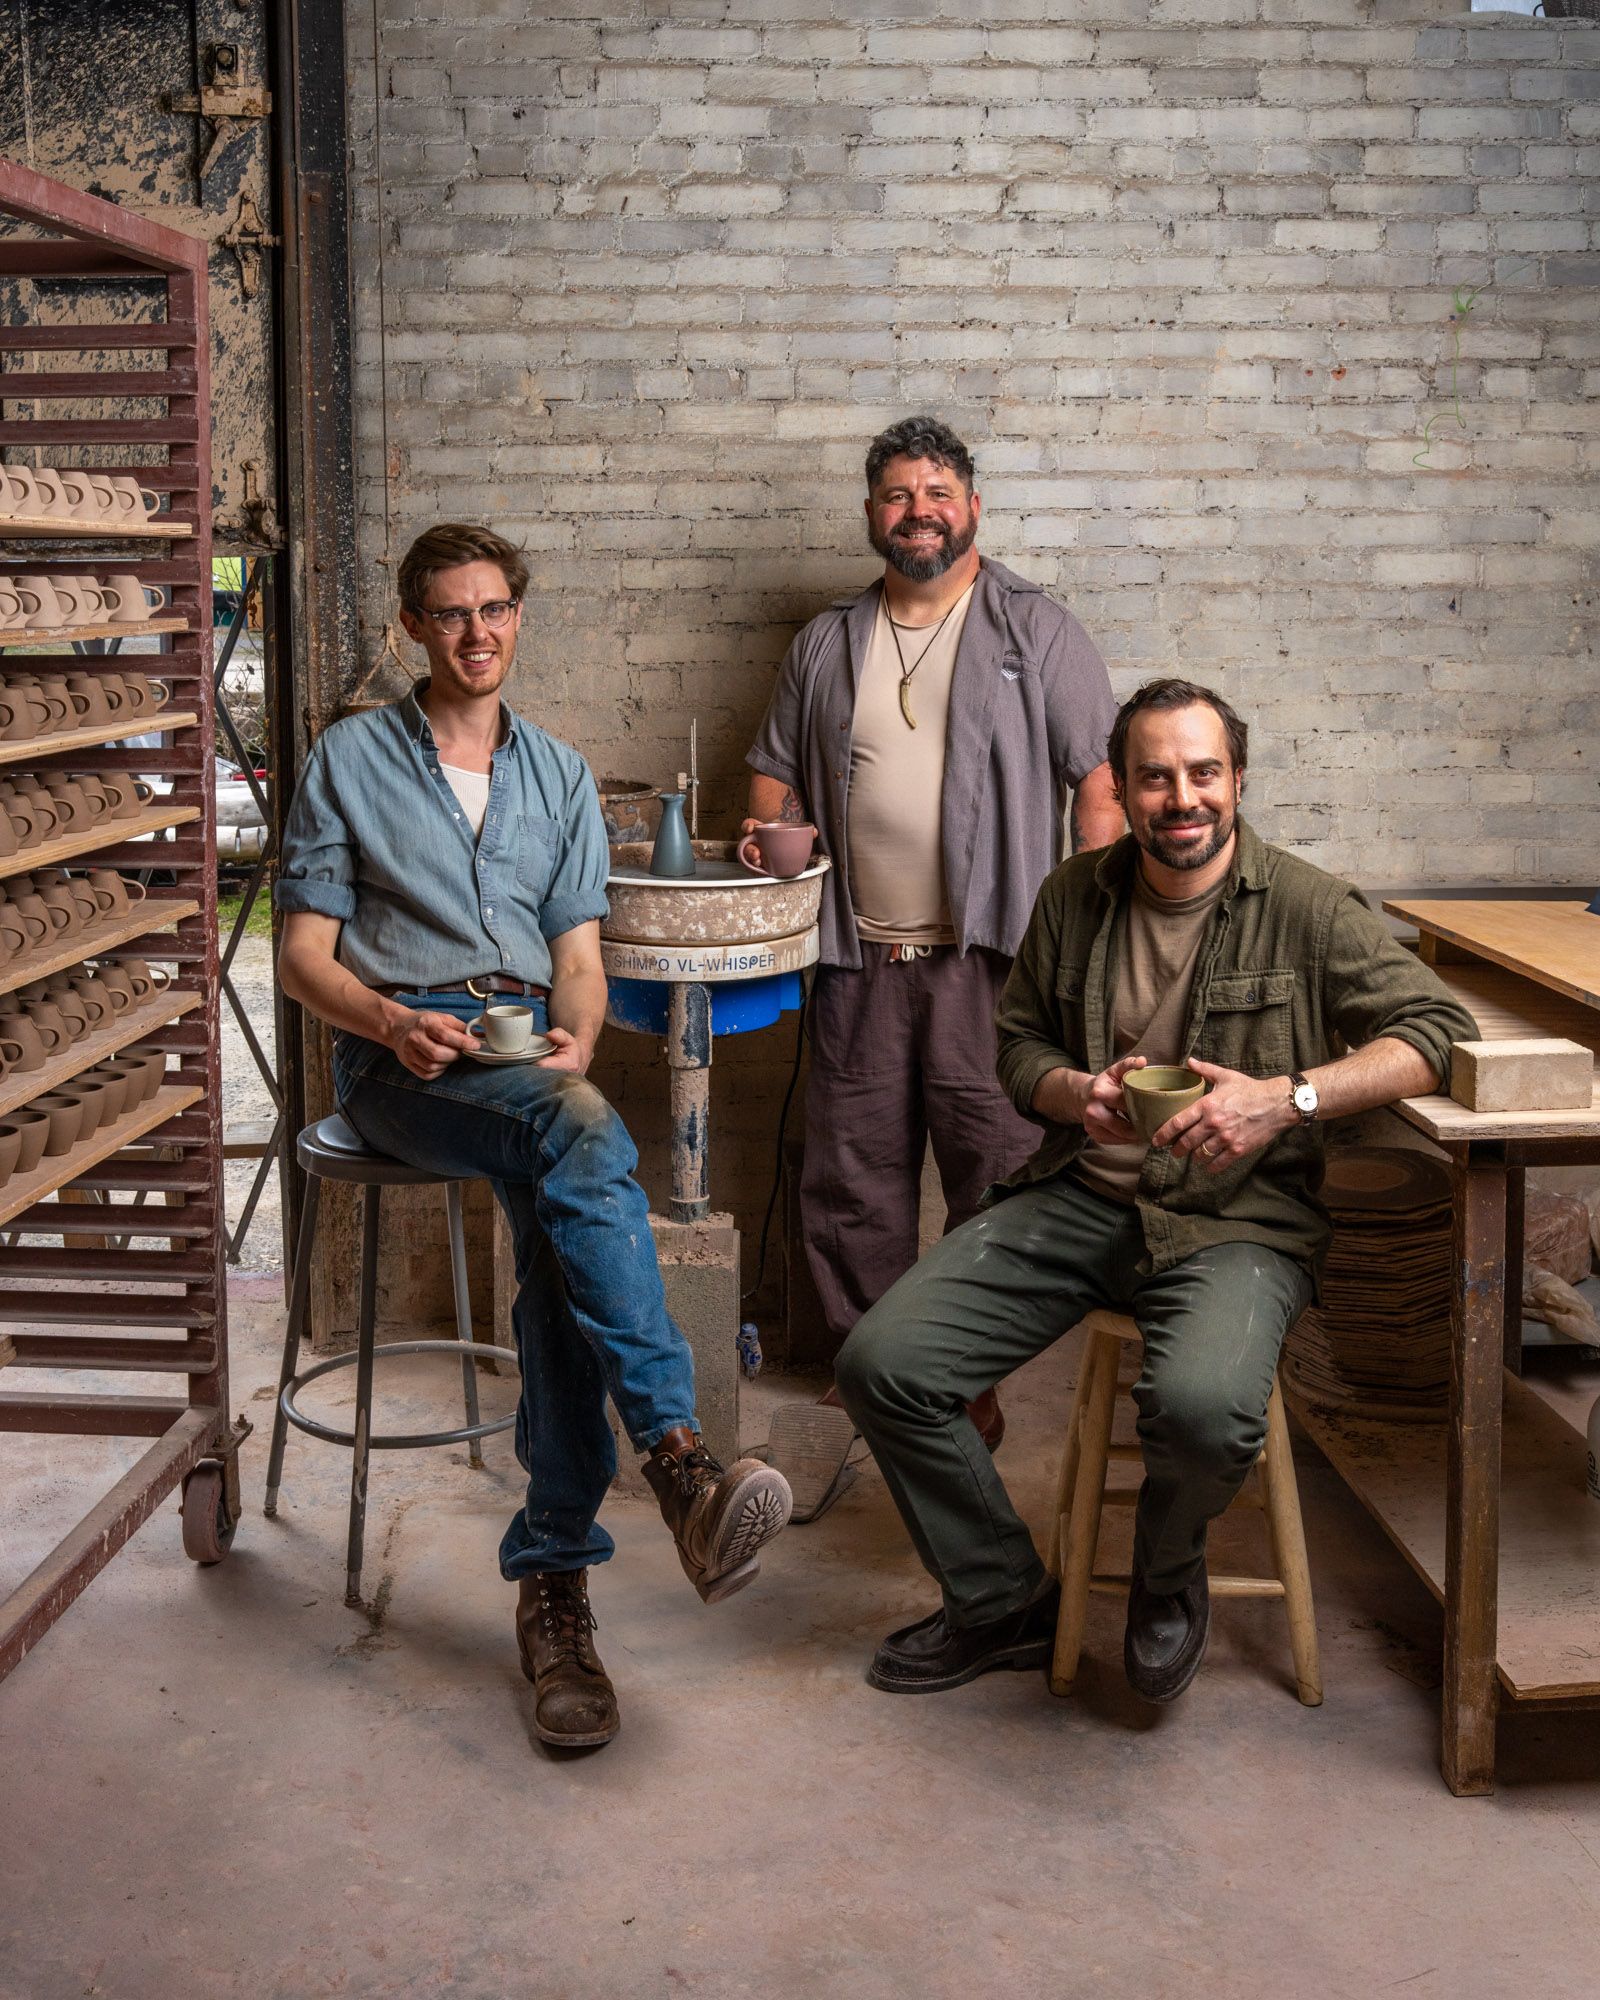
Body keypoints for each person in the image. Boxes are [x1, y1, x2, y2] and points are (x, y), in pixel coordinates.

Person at [835, 678, 1478, 1703]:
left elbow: (1440, 1035)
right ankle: (1001, 1596)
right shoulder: (1074, 895)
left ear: (1237, 779)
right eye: (1155, 776)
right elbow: (1018, 1049)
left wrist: (1287, 1096)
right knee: (882, 1363)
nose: (1182, 797)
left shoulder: (1309, 907)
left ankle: (1167, 1572)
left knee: (1200, 1407)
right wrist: (1072, 1091)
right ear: (1123, 788)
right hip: (1082, 1197)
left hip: (1237, 1221)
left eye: (1203, 772)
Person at [275, 522, 792, 1751]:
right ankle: (673, 1460)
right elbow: (301, 957)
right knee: (584, 1138)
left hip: (521, 1062)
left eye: (496, 608)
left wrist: (578, 1027)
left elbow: (577, 959)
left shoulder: (557, 773)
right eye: (451, 613)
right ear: (413, 625)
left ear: (519, 614)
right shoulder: (348, 758)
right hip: (396, 1060)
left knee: (569, 1179)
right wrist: (389, 1018)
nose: (477, 632)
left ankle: (558, 1589)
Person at [745, 417, 1123, 1488]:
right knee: (851, 1174)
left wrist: (1081, 926)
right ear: (872, 515)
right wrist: (768, 829)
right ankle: (870, 1366)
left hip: (991, 963)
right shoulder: (826, 641)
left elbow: (1096, 784)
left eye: (938, 490)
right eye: (898, 493)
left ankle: (967, 1368)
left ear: (972, 506)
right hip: (858, 957)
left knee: (993, 1169)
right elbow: (771, 777)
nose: (919, 509)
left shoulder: (1033, 628)